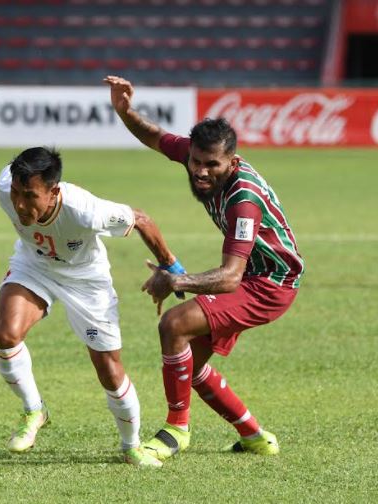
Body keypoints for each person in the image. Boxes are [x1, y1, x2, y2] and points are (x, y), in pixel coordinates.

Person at [104, 75, 305, 461]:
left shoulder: (242, 200)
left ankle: (177, 430)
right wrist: (125, 111)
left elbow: (230, 277)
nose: (200, 172)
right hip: (251, 276)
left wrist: (175, 279)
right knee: (189, 365)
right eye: (195, 161)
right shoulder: (195, 157)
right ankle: (255, 437)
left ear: (232, 162)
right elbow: (154, 136)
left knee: (174, 324)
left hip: (269, 284)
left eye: (212, 165)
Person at [0, 146, 186, 467]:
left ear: (54, 192)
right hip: (34, 267)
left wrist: (172, 267)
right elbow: (14, 190)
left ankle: (131, 446)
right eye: (16, 193)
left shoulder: (85, 210)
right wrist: (16, 190)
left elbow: (141, 219)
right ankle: (34, 410)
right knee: (6, 335)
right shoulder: (4, 188)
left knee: (109, 370)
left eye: (29, 196)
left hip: (87, 281)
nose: (19, 204)